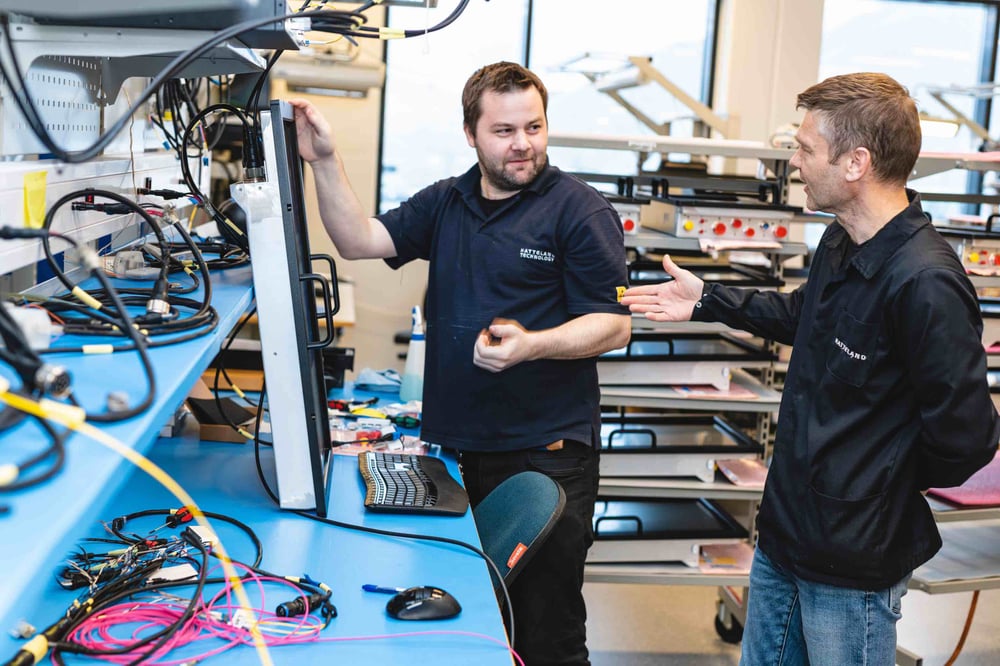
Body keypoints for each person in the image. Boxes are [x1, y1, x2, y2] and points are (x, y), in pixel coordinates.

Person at [622, 72, 1000, 665]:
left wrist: (878, 485)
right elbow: (803, 317)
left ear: (856, 162)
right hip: (786, 534)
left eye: (804, 148)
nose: (793, 159)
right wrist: (707, 301)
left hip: (851, 560)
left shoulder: (925, 283)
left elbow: (968, 437)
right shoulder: (841, 241)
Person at [289, 61, 631, 665]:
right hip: (456, 453)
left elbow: (614, 326)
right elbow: (358, 240)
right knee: (472, 625)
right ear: (471, 134)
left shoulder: (580, 212)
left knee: (545, 634)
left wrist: (532, 344)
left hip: (544, 459)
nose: (523, 143)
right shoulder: (448, 201)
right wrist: (321, 160)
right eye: (504, 131)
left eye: (534, 126)